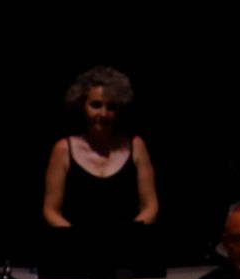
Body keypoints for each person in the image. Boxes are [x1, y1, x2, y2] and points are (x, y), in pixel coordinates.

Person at [42, 66, 158, 228]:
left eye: (111, 107)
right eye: (96, 105)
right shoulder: (63, 149)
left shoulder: (136, 145)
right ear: (82, 106)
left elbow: (150, 206)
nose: (103, 114)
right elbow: (50, 210)